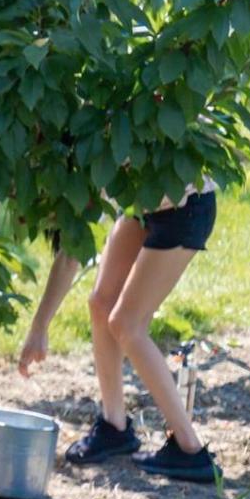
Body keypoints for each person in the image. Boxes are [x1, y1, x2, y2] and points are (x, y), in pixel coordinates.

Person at [17, 184, 221, 483]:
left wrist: (39, 328)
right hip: (144, 201)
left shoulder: (88, 167)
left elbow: (71, 254)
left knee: (127, 324)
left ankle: (190, 450)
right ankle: (115, 427)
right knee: (101, 305)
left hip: (185, 204)